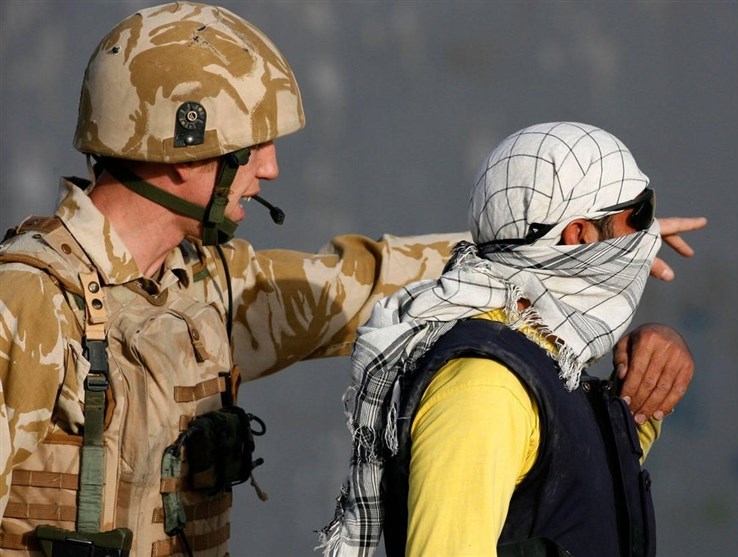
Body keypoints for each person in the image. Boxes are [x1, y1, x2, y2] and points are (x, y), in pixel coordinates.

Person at [0, 3, 702, 556]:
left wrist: (564, 241)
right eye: (252, 146)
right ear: (183, 148)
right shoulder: (30, 302)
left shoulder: (208, 288)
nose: (270, 168)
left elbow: (362, 282)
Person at [321, 122, 696, 557]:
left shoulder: (547, 359)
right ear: (580, 236)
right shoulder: (486, 388)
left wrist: (657, 358)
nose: (649, 234)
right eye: (640, 214)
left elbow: (586, 501)